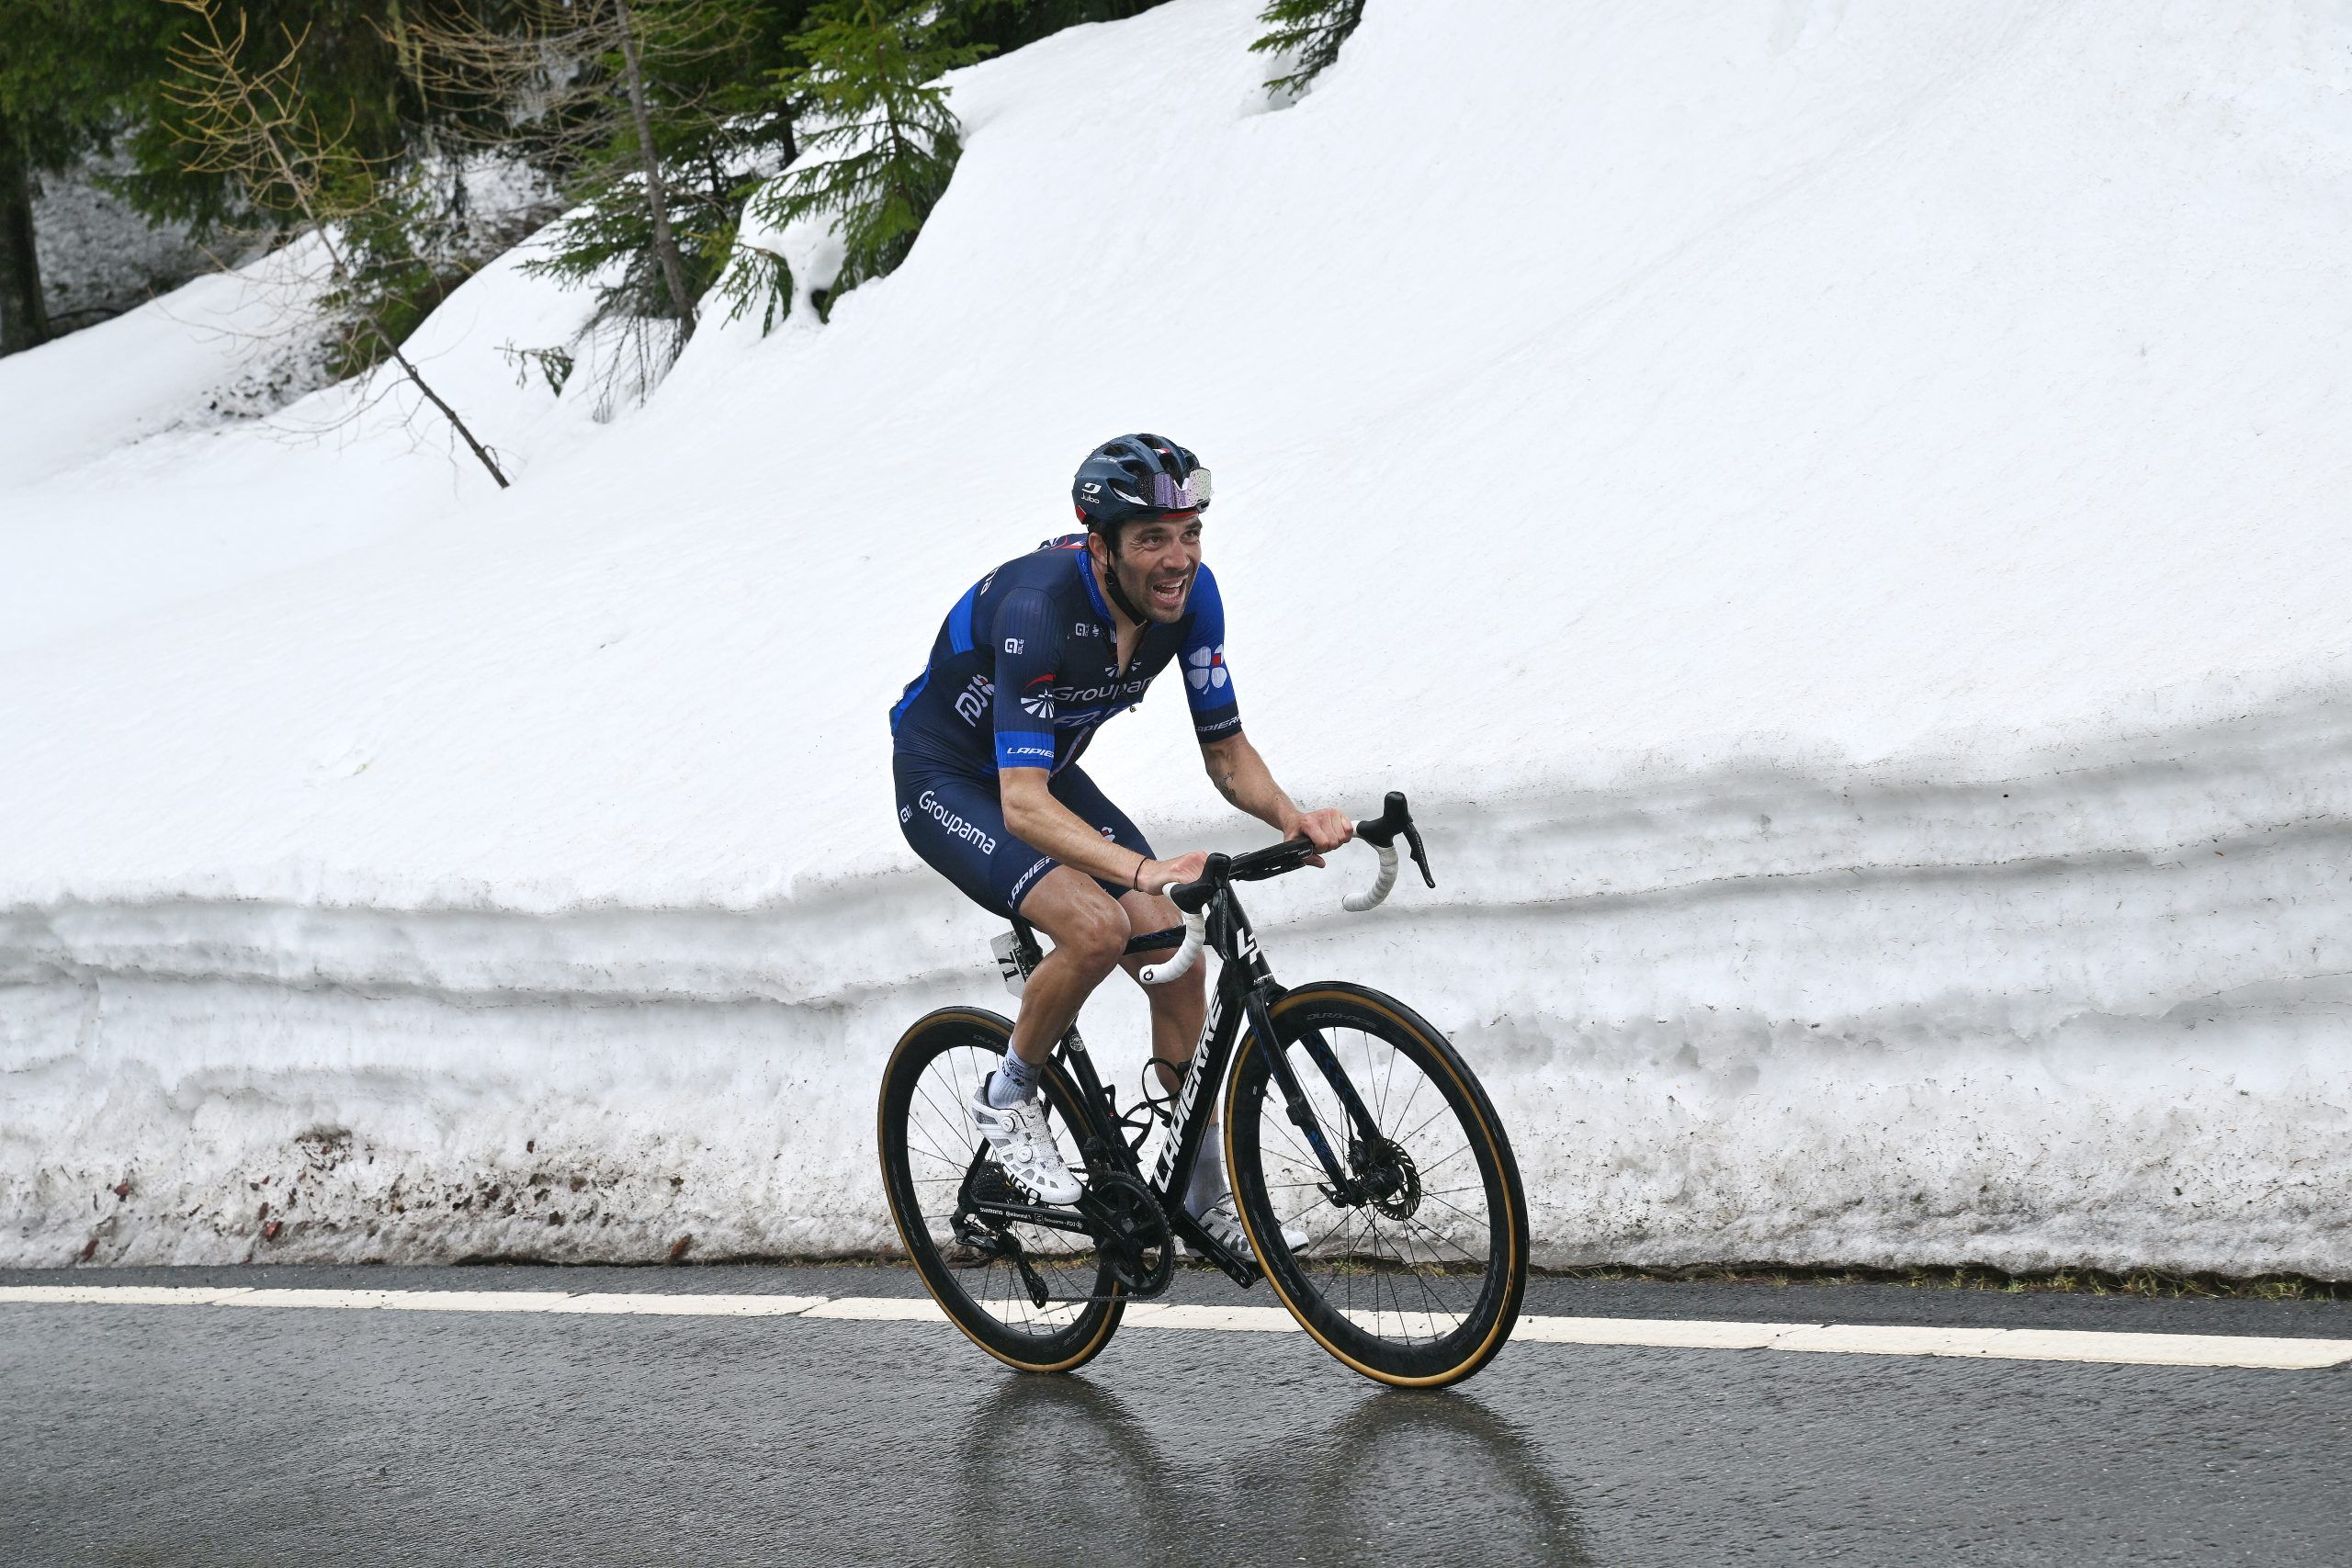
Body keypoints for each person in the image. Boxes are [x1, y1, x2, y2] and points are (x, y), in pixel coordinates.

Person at [888, 434, 1349, 1256]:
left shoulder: (1193, 599)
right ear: (1100, 546)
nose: (1178, 558)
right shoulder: (1039, 608)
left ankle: (1201, 1195)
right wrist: (1140, 868)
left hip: (1043, 771)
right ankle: (1007, 1095)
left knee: (1176, 954)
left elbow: (1225, 749)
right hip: (952, 781)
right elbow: (1021, 807)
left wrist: (1289, 815)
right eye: (1152, 539)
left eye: (1190, 532)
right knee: (1098, 926)